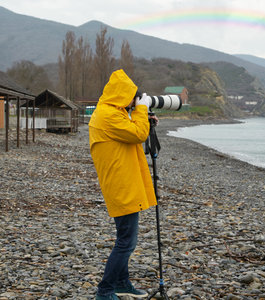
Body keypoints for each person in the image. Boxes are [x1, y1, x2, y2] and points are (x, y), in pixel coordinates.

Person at [89, 69, 157, 300]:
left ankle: (121, 283)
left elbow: (132, 132)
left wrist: (142, 116)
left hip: (121, 183)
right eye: (132, 96)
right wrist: (142, 109)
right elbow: (137, 134)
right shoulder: (109, 116)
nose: (133, 101)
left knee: (123, 237)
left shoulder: (109, 113)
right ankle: (105, 290)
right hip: (122, 186)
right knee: (126, 242)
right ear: (122, 95)